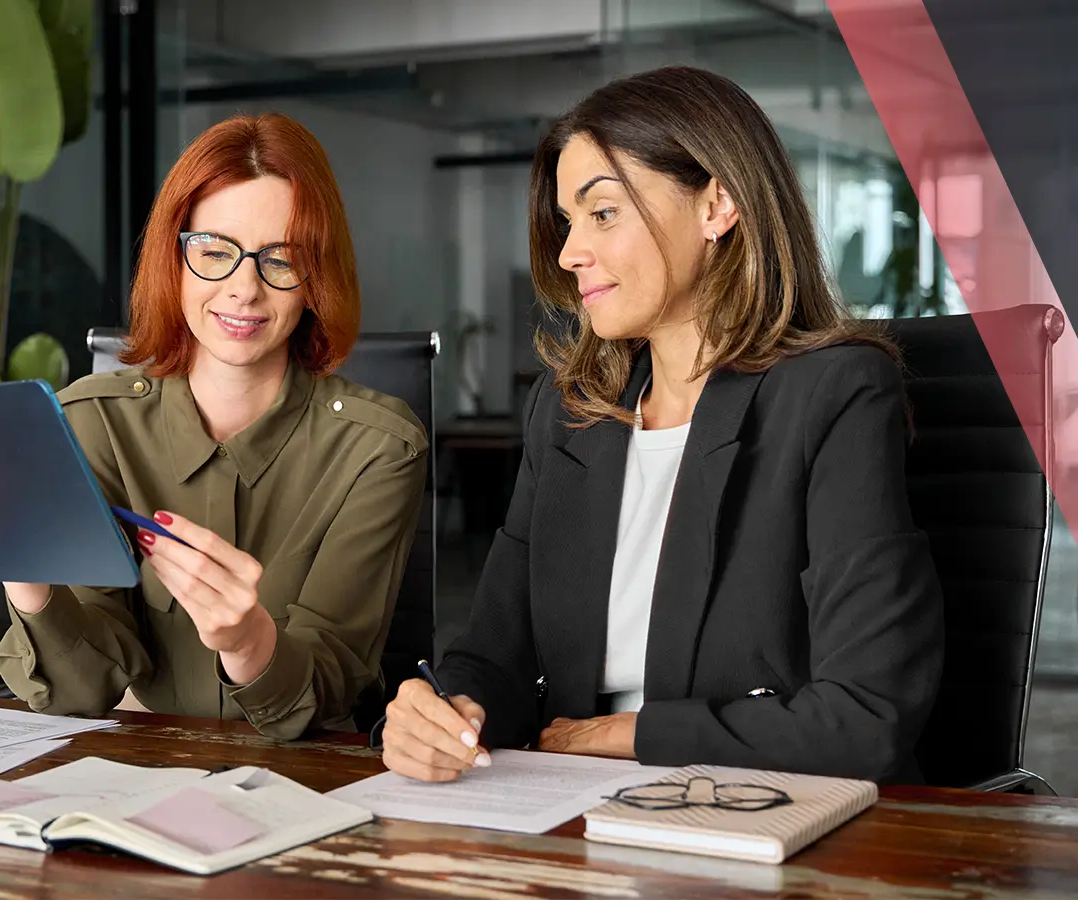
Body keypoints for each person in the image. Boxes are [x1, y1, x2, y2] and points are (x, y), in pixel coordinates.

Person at [379, 66, 944, 784]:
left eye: (603, 212)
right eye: (567, 220)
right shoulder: (570, 412)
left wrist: (631, 735)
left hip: (763, 817)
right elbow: (496, 658)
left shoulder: (833, 395)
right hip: (568, 803)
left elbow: (868, 717)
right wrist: (449, 714)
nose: (567, 252)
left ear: (719, 205)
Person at [0, 114, 429, 740]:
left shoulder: (378, 447)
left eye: (281, 261)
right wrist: (18, 557)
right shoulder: (92, 422)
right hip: (135, 773)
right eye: (214, 252)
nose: (244, 291)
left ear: (316, 278)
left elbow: (330, 691)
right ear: (175, 258)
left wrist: (247, 641)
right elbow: (85, 690)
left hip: (308, 781)